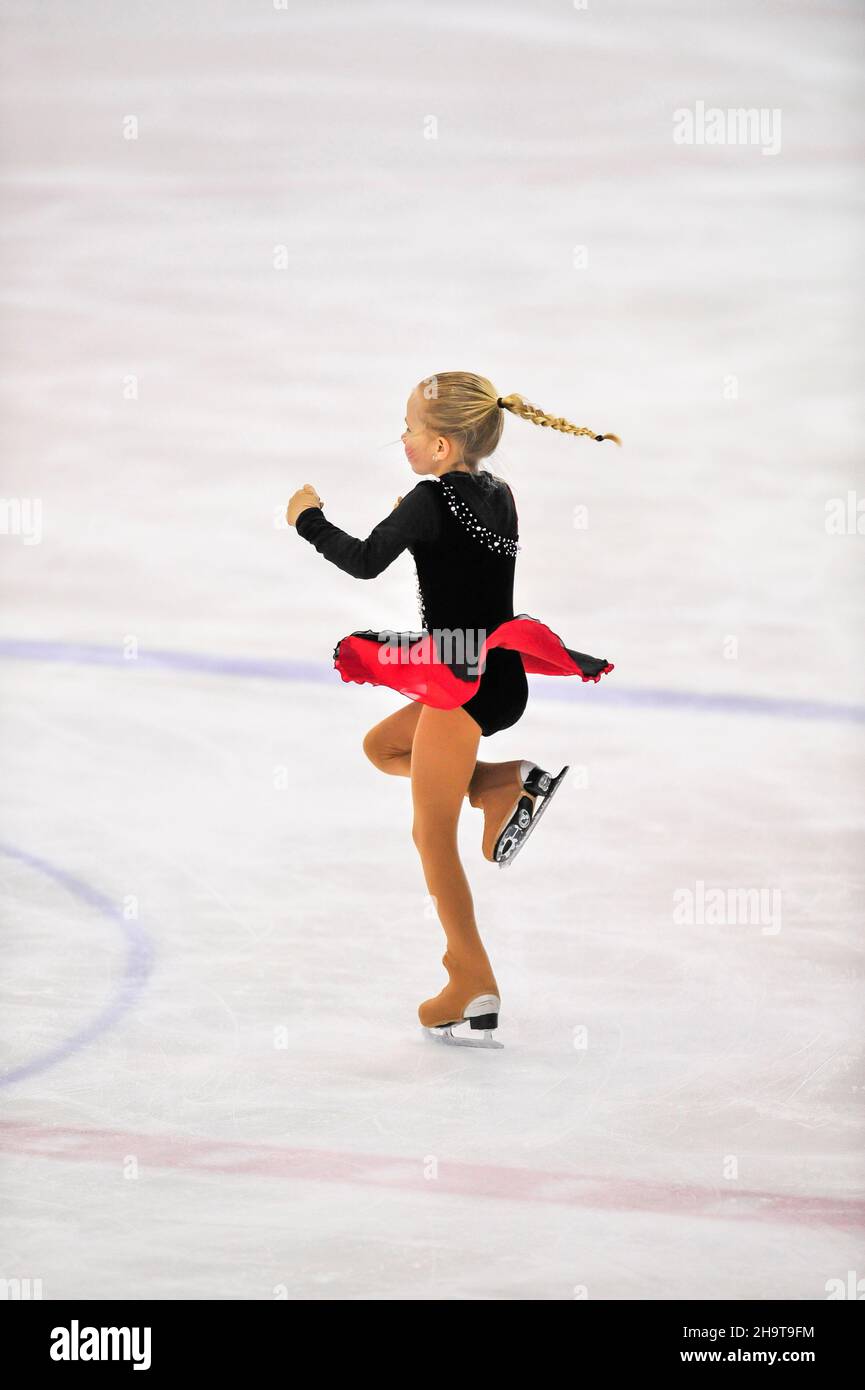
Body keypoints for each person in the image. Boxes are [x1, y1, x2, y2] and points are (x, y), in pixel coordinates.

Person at [286, 372, 618, 1047]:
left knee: (429, 835)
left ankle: (469, 978)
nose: (401, 439)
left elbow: (363, 562)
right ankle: (502, 782)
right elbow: (458, 560)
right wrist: (415, 512)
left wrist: (306, 519)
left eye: (408, 429)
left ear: (440, 447)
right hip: (498, 676)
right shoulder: (498, 493)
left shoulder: (428, 498)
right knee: (383, 748)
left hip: (457, 685)